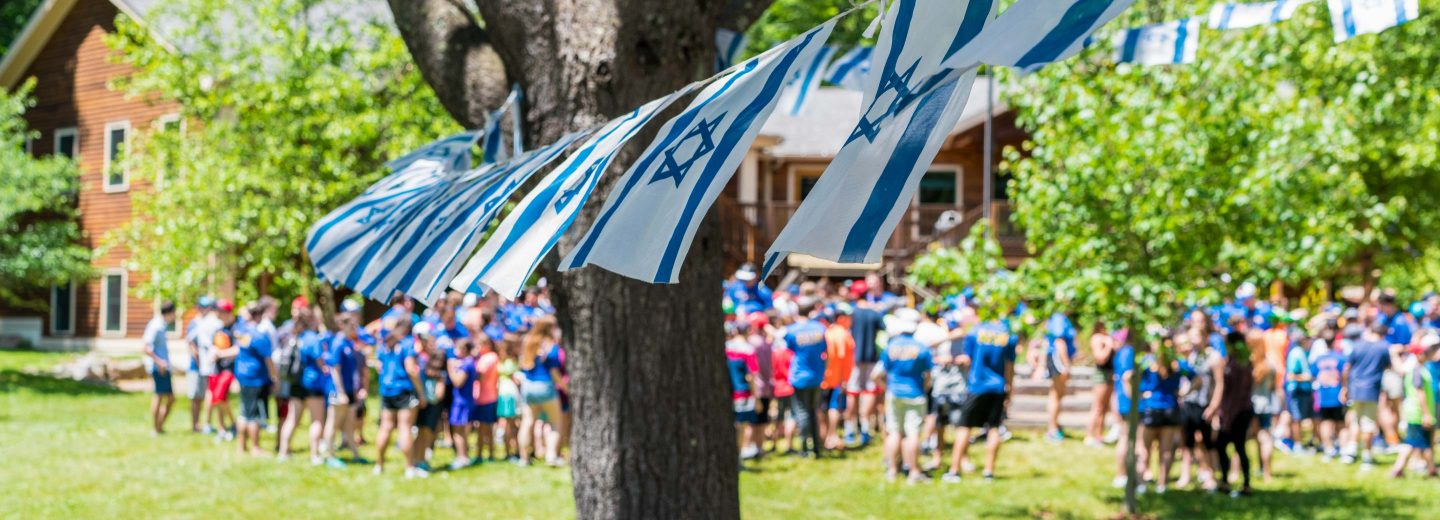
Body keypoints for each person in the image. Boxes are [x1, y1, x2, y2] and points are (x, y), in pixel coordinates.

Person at [945, 315, 1016, 482]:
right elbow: (1010, 366)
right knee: (994, 428)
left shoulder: (975, 331)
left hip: (976, 386)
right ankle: (988, 472)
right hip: (998, 387)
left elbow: (968, 359)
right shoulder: (1009, 334)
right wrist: (1009, 389)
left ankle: (954, 470)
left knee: (964, 427)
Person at [875, 309, 933, 483]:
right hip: (915, 393)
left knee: (894, 432)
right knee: (913, 433)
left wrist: (886, 388)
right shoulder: (922, 348)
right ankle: (914, 471)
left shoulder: (891, 347)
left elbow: (877, 375)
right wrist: (924, 387)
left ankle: (892, 471)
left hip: (894, 393)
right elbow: (929, 375)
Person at [277, 306, 329, 464]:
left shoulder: (295, 336)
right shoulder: (313, 338)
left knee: (292, 419)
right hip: (312, 384)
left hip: (296, 382)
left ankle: (283, 452)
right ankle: (315, 455)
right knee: (317, 420)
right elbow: (320, 361)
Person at [375, 319, 426, 477]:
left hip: (387, 390)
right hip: (404, 390)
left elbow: (379, 367)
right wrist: (421, 392)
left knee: (385, 427)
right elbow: (411, 369)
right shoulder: (406, 344)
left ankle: (379, 465)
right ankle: (410, 468)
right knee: (405, 428)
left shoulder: (383, 346)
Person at [224, 302, 276, 456]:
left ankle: (241, 446)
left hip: (242, 375)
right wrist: (275, 377)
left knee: (244, 411)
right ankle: (255, 447)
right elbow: (268, 359)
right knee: (253, 414)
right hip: (256, 377)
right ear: (260, 316)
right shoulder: (260, 336)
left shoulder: (242, 332)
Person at [1211, 331, 1255, 498]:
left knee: (1229, 446)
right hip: (1240, 411)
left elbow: (1236, 395)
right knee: (1235, 446)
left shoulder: (1236, 365)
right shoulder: (1243, 362)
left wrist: (1227, 416)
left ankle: (1236, 483)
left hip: (1236, 412)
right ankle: (1235, 483)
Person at [517, 316, 566, 466]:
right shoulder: (551, 345)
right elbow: (554, 372)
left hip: (528, 386)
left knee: (527, 422)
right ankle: (551, 456)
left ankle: (524, 458)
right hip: (546, 386)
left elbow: (522, 364)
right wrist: (565, 388)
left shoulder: (528, 342)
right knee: (555, 422)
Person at [1178, 327, 1222, 490]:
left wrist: (1214, 406)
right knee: (1187, 441)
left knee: (1207, 442)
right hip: (1188, 404)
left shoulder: (1214, 357)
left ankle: (1210, 475)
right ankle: (1186, 475)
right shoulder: (1189, 356)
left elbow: (1219, 384)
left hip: (1205, 404)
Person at [784, 299, 829, 458]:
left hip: (799, 376)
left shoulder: (792, 330)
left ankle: (804, 448)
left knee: (801, 412)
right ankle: (816, 447)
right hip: (816, 375)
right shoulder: (820, 329)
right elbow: (825, 351)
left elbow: (789, 349)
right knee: (813, 410)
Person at [1346, 320, 1394, 466]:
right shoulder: (1383, 347)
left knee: (1356, 421)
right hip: (1371, 390)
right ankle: (1367, 456)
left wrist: (1345, 387)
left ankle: (1351, 452)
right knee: (1368, 424)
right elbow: (1388, 366)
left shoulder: (1357, 345)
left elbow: (1347, 368)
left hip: (1355, 389)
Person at [1139, 335, 1182, 494]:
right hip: (1170, 408)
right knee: (1166, 449)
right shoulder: (1177, 364)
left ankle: (1141, 481)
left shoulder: (1148, 361)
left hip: (1152, 408)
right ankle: (1162, 483)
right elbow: (1196, 377)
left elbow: (1128, 376)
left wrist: (1140, 394)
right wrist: (1183, 392)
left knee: (1145, 448)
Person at [1389, 338, 1437, 478]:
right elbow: (1420, 393)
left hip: (1415, 413)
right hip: (1418, 413)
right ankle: (1432, 470)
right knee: (1425, 443)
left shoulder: (1419, 369)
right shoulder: (1417, 371)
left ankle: (1399, 469)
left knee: (1412, 442)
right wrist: (1426, 414)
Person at [323, 311, 366, 466]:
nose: (355, 328)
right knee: (333, 423)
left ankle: (355, 454)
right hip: (338, 391)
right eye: (352, 325)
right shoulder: (338, 343)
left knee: (349, 423)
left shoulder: (349, 343)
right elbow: (335, 369)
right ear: (343, 325)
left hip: (349, 390)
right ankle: (329, 455)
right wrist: (341, 392)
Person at [847, 298, 885, 446]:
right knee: (869, 391)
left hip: (854, 357)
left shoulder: (852, 312)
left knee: (853, 391)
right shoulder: (874, 313)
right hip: (870, 357)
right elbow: (883, 328)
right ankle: (864, 427)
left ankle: (851, 428)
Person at [184, 297, 222, 433]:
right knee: (196, 397)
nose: (207, 310)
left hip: (209, 366)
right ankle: (195, 425)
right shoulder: (194, 323)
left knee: (209, 394)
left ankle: (207, 423)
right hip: (196, 367)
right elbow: (191, 343)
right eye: (204, 307)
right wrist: (199, 361)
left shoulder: (213, 323)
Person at [820, 309, 855, 452]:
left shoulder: (827, 332)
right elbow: (842, 356)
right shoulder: (843, 334)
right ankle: (831, 436)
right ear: (841, 318)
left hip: (823, 378)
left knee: (822, 409)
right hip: (836, 378)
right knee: (833, 408)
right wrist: (845, 378)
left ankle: (823, 438)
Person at [1248, 329, 1280, 482]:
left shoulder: (1248, 363)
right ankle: (1266, 471)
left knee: (1252, 437)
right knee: (1265, 437)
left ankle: (1237, 471)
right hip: (1266, 404)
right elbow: (1273, 387)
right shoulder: (1270, 363)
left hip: (1251, 404)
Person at [727, 322, 760, 460]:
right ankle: (739, 453)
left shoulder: (726, 347)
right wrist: (757, 397)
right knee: (743, 425)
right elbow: (751, 376)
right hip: (743, 393)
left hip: (730, 392)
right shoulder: (748, 350)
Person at [142, 302, 177, 435]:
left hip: (163, 366)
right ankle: (155, 428)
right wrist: (159, 362)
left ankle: (159, 426)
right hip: (159, 368)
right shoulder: (155, 326)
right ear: (169, 312)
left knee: (170, 398)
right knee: (159, 396)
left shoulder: (162, 326)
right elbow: (145, 347)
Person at [1312, 336, 1348, 460]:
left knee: (1325, 423)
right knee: (1341, 424)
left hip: (1323, 395)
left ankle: (1328, 449)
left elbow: (1313, 374)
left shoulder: (1318, 359)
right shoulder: (1341, 358)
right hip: (1337, 394)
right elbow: (1346, 374)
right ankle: (1343, 450)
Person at [1042, 312, 1076, 442]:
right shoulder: (1058, 317)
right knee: (1056, 394)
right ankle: (1052, 429)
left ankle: (1055, 425)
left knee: (1058, 394)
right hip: (1058, 359)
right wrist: (1066, 364)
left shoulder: (1061, 317)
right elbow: (1059, 342)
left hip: (1058, 358)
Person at [208, 300, 239, 441]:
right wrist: (213, 353)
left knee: (220, 397)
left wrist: (221, 354)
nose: (218, 314)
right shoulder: (218, 330)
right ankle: (222, 428)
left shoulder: (236, 329)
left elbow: (238, 349)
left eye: (220, 312)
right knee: (216, 400)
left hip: (229, 369)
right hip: (217, 368)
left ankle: (234, 424)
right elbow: (214, 346)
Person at [447, 334, 478, 469]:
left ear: (464, 349)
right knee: (462, 430)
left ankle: (462, 457)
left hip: (461, 402)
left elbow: (458, 382)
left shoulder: (466, 364)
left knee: (459, 430)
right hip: (465, 400)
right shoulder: (468, 362)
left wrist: (450, 368)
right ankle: (465, 456)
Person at [1085, 322, 1117, 447]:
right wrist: (1108, 346)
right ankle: (1089, 436)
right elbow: (1100, 357)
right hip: (1101, 374)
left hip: (1110, 373)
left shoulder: (1108, 337)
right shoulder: (1097, 338)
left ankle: (1099, 435)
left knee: (1105, 407)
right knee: (1097, 406)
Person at [471, 334, 501, 463]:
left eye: (479, 345)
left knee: (486, 428)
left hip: (487, 397)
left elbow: (480, 376)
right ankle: (482, 454)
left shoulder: (489, 358)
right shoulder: (486, 358)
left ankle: (488, 454)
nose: (477, 347)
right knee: (482, 428)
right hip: (482, 397)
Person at [496, 333, 522, 461]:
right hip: (507, 392)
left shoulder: (507, 361)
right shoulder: (508, 360)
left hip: (507, 392)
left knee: (510, 424)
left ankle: (513, 451)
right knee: (509, 424)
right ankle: (511, 452)